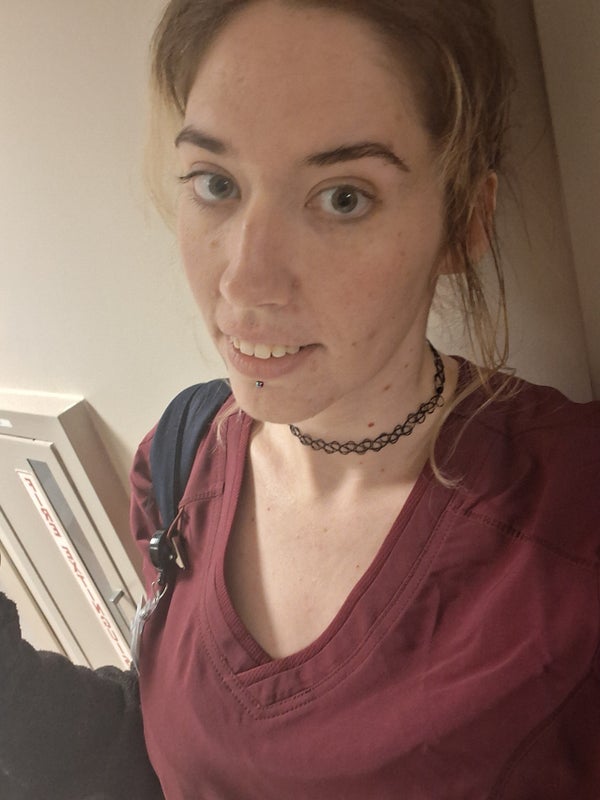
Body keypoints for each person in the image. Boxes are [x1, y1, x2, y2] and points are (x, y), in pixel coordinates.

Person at [1, 0, 599, 798]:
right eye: (216, 184)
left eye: (343, 196)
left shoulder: (573, 523)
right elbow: (178, 752)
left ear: (465, 220)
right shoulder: (181, 451)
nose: (245, 282)